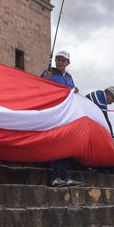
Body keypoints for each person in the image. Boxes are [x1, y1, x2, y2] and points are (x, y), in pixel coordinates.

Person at [41, 50, 82, 187]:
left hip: (67, 115)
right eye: (58, 59)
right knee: (57, 143)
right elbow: (39, 87)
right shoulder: (48, 73)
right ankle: (56, 177)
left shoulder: (70, 77)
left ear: (68, 63)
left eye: (63, 60)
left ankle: (65, 176)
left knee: (66, 144)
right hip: (54, 113)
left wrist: (74, 90)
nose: (60, 62)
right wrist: (43, 80)